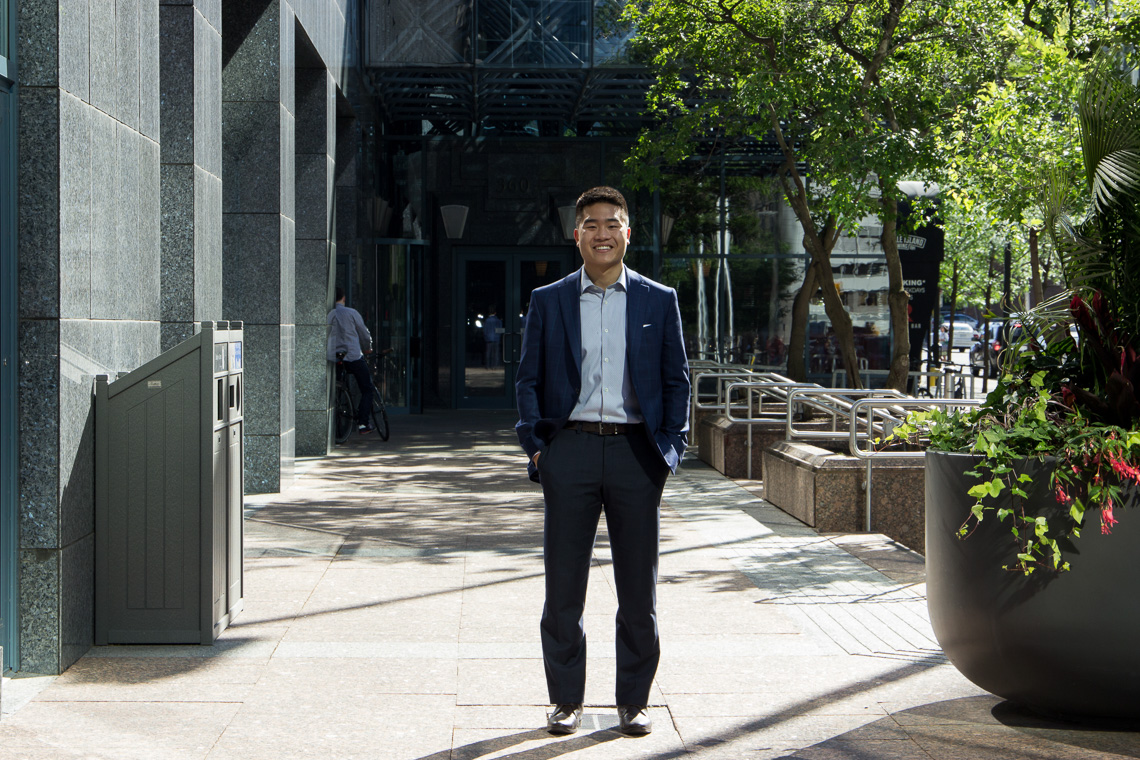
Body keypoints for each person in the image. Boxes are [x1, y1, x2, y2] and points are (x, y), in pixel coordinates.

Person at [515, 186, 690, 737]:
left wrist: (669, 451)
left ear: (627, 232)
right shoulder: (550, 299)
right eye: (591, 224)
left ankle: (633, 702)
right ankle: (565, 700)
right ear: (577, 234)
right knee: (564, 588)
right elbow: (527, 380)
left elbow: (676, 381)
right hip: (571, 451)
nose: (602, 233)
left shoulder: (659, 300)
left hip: (638, 453)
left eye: (612, 223)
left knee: (639, 589)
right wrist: (540, 448)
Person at [327, 286, 377, 434]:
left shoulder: (329, 315)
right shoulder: (351, 313)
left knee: (335, 387)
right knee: (367, 389)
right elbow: (364, 333)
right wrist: (368, 347)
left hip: (334, 356)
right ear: (344, 298)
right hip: (353, 356)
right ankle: (363, 423)